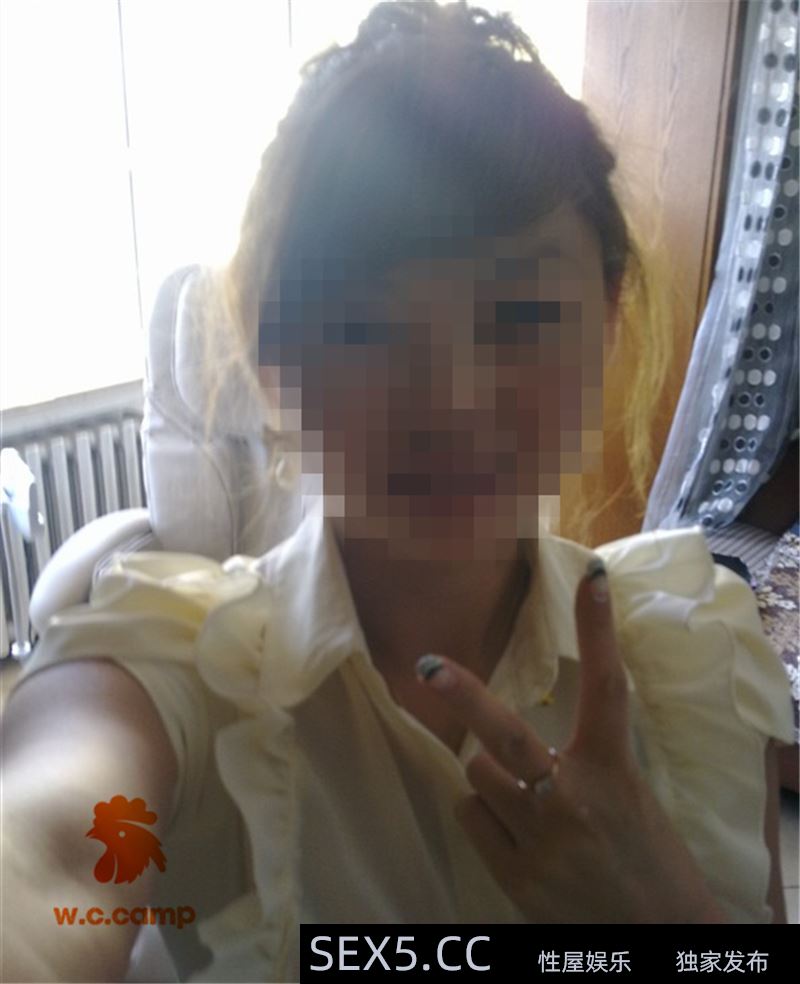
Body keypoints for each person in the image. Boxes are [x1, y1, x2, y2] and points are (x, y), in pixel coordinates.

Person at [1, 2, 795, 981]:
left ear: (605, 319)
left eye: (519, 315)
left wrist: (665, 911)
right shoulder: (179, 669)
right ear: (274, 357)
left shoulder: (691, 655)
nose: (451, 401)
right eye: (362, 325)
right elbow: (39, 849)